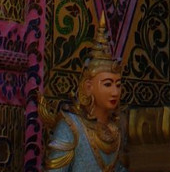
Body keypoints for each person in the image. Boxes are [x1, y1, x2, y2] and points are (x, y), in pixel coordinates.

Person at [46, 16, 126, 172]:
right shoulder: (71, 126)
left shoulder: (116, 130)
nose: (115, 92)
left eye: (118, 85)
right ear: (88, 87)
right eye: (107, 84)